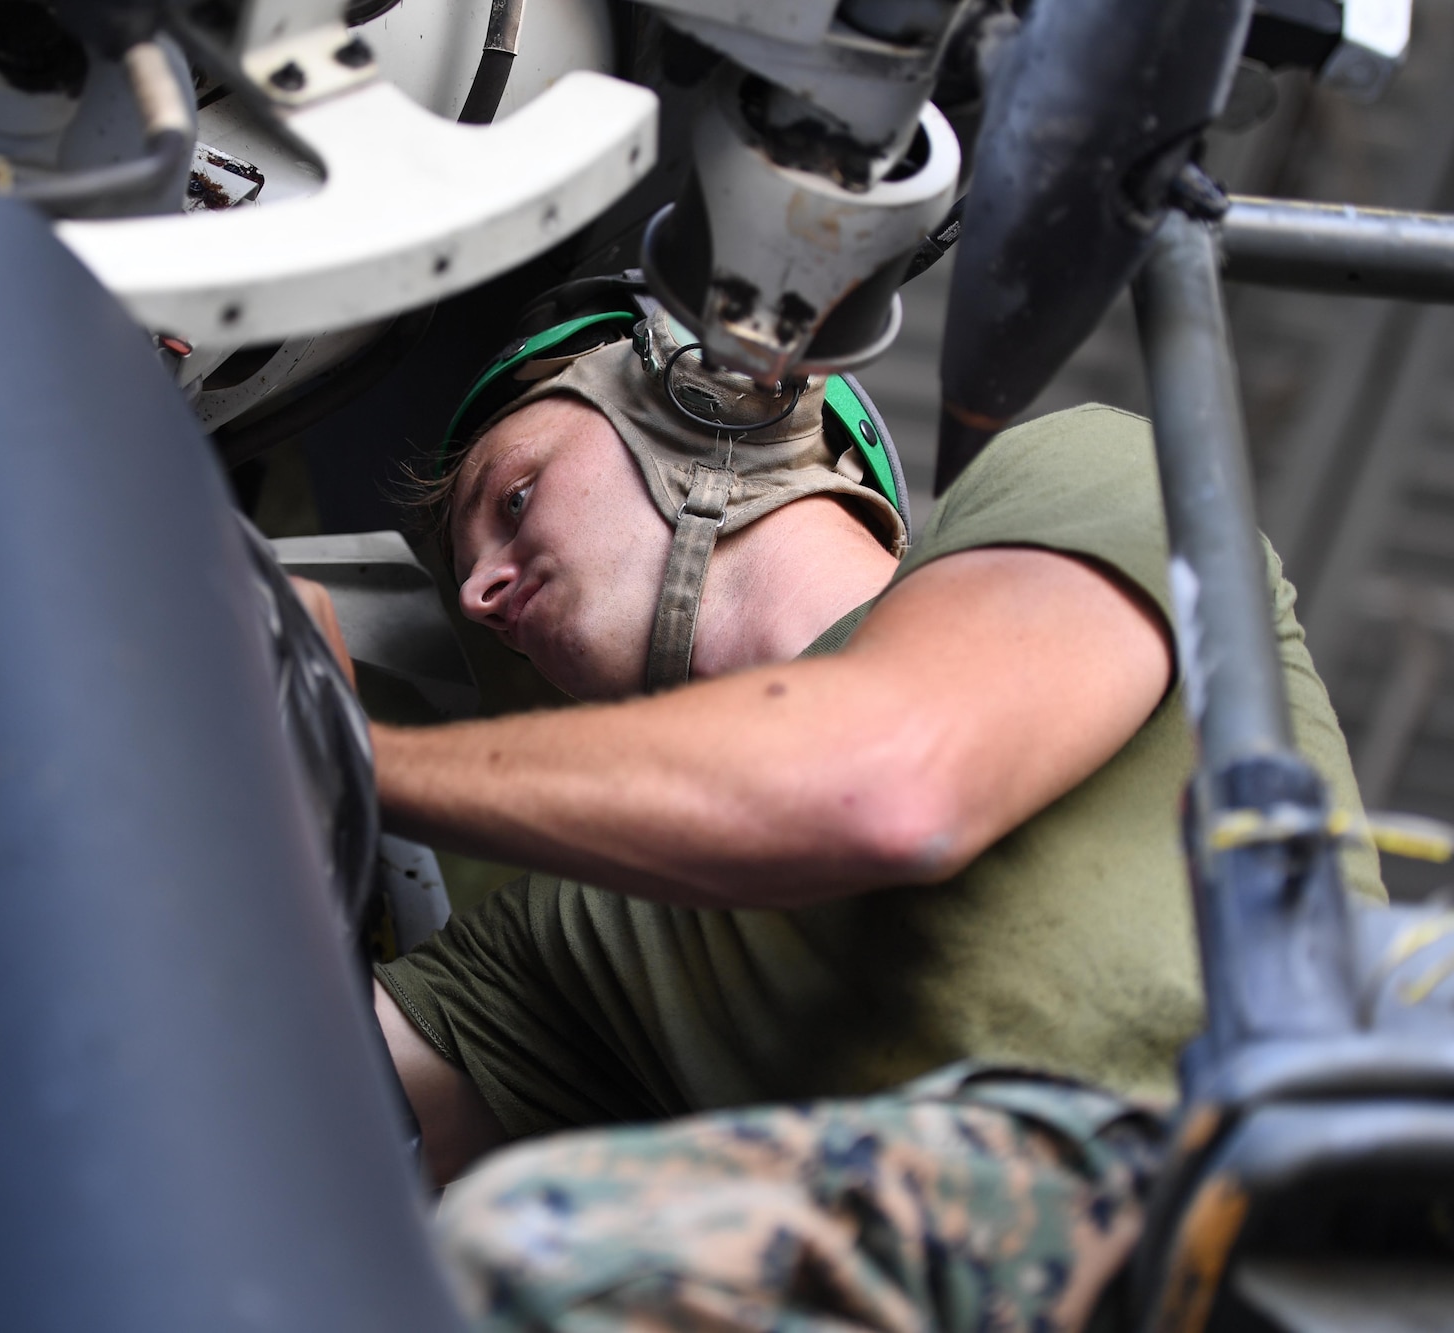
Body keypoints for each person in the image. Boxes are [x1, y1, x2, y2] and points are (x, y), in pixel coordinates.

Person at [296, 287, 1383, 1331]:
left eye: (515, 498)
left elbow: (887, 784)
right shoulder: (570, 939)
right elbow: (285, 1117)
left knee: (521, 1246)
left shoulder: (1092, 476)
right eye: (470, 584)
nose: (483, 593)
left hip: (1313, 1226)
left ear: (711, 396)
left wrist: (337, 745)